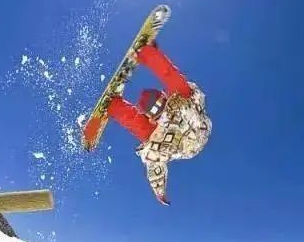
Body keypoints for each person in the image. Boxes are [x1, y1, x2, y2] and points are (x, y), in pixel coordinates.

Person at [83, 44, 212, 206]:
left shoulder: (163, 132)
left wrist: (160, 193)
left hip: (190, 134)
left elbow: (155, 169)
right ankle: (117, 103)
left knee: (149, 131)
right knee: (175, 93)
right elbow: (168, 73)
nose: (159, 111)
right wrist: (151, 55)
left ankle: (115, 105)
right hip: (193, 128)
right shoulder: (176, 108)